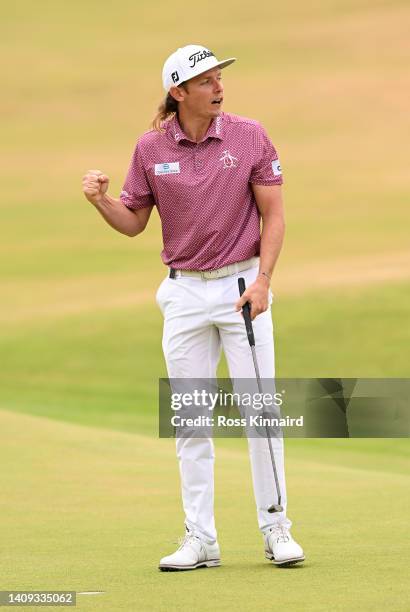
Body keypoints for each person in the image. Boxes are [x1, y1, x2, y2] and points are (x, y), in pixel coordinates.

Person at [82, 44, 305, 571]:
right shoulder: (150, 147)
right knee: (190, 418)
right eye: (206, 81)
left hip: (242, 288)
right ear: (178, 92)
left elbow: (273, 216)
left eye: (219, 78)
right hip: (182, 292)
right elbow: (134, 221)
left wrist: (264, 280)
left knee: (259, 411)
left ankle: (276, 529)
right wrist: (100, 201)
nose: (219, 87)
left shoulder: (249, 134)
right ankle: (200, 538)